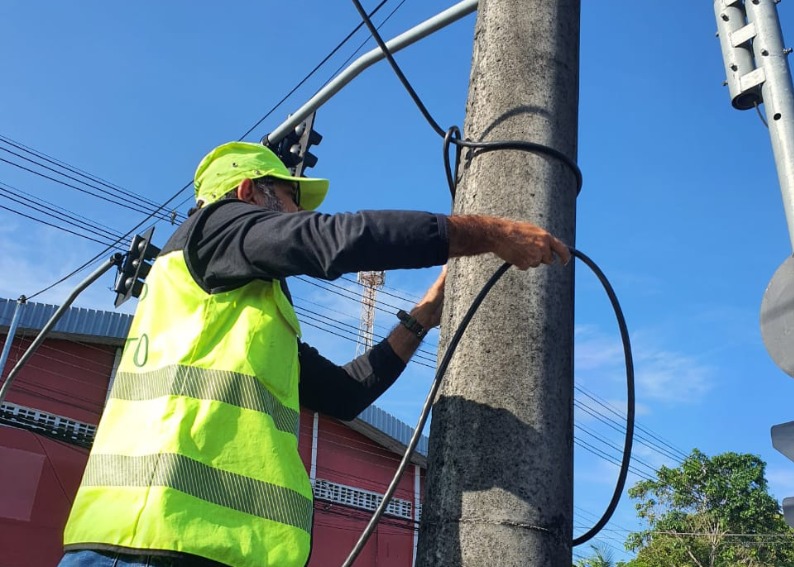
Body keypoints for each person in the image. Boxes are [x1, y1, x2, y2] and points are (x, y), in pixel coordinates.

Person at [57, 141, 570, 567]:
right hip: (153, 544)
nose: (299, 214)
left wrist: (423, 316)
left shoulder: (238, 312)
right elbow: (332, 241)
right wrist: (491, 234)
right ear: (246, 193)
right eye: (288, 198)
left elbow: (344, 394)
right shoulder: (213, 227)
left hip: (189, 547)